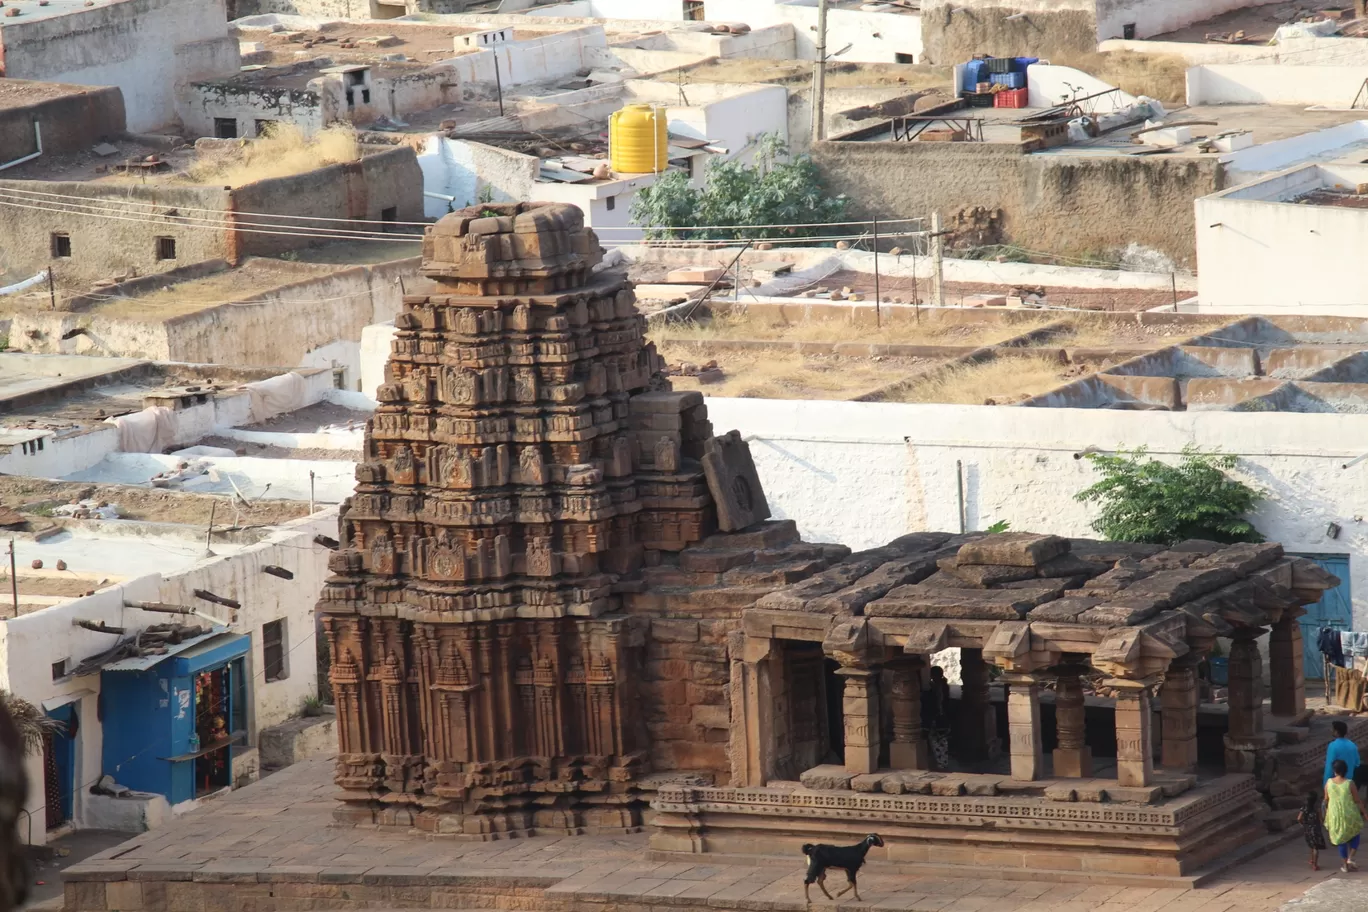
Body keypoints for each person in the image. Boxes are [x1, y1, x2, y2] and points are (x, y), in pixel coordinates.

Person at [1326, 758, 1368, 873]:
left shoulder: (1329, 783)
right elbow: (1357, 800)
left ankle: (1344, 865)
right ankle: (1350, 858)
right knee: (1355, 834)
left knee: (1341, 839)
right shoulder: (1349, 783)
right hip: (1350, 814)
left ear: (1334, 770)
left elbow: (1326, 799)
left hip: (1335, 815)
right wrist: (1365, 813)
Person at [1325, 720, 1360, 787]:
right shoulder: (1352, 745)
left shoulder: (1333, 746)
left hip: (1335, 784)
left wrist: (1325, 784)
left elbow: (1329, 767)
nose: (1331, 731)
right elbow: (1357, 763)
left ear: (1337, 732)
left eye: (1333, 729)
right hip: (1349, 782)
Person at [1300, 789, 1327, 871]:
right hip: (1316, 829)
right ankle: (1315, 864)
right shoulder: (1316, 808)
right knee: (1315, 847)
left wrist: (1303, 824)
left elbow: (1298, 818)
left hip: (1307, 829)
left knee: (1311, 845)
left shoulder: (1304, 808)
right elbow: (1321, 820)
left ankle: (1311, 860)